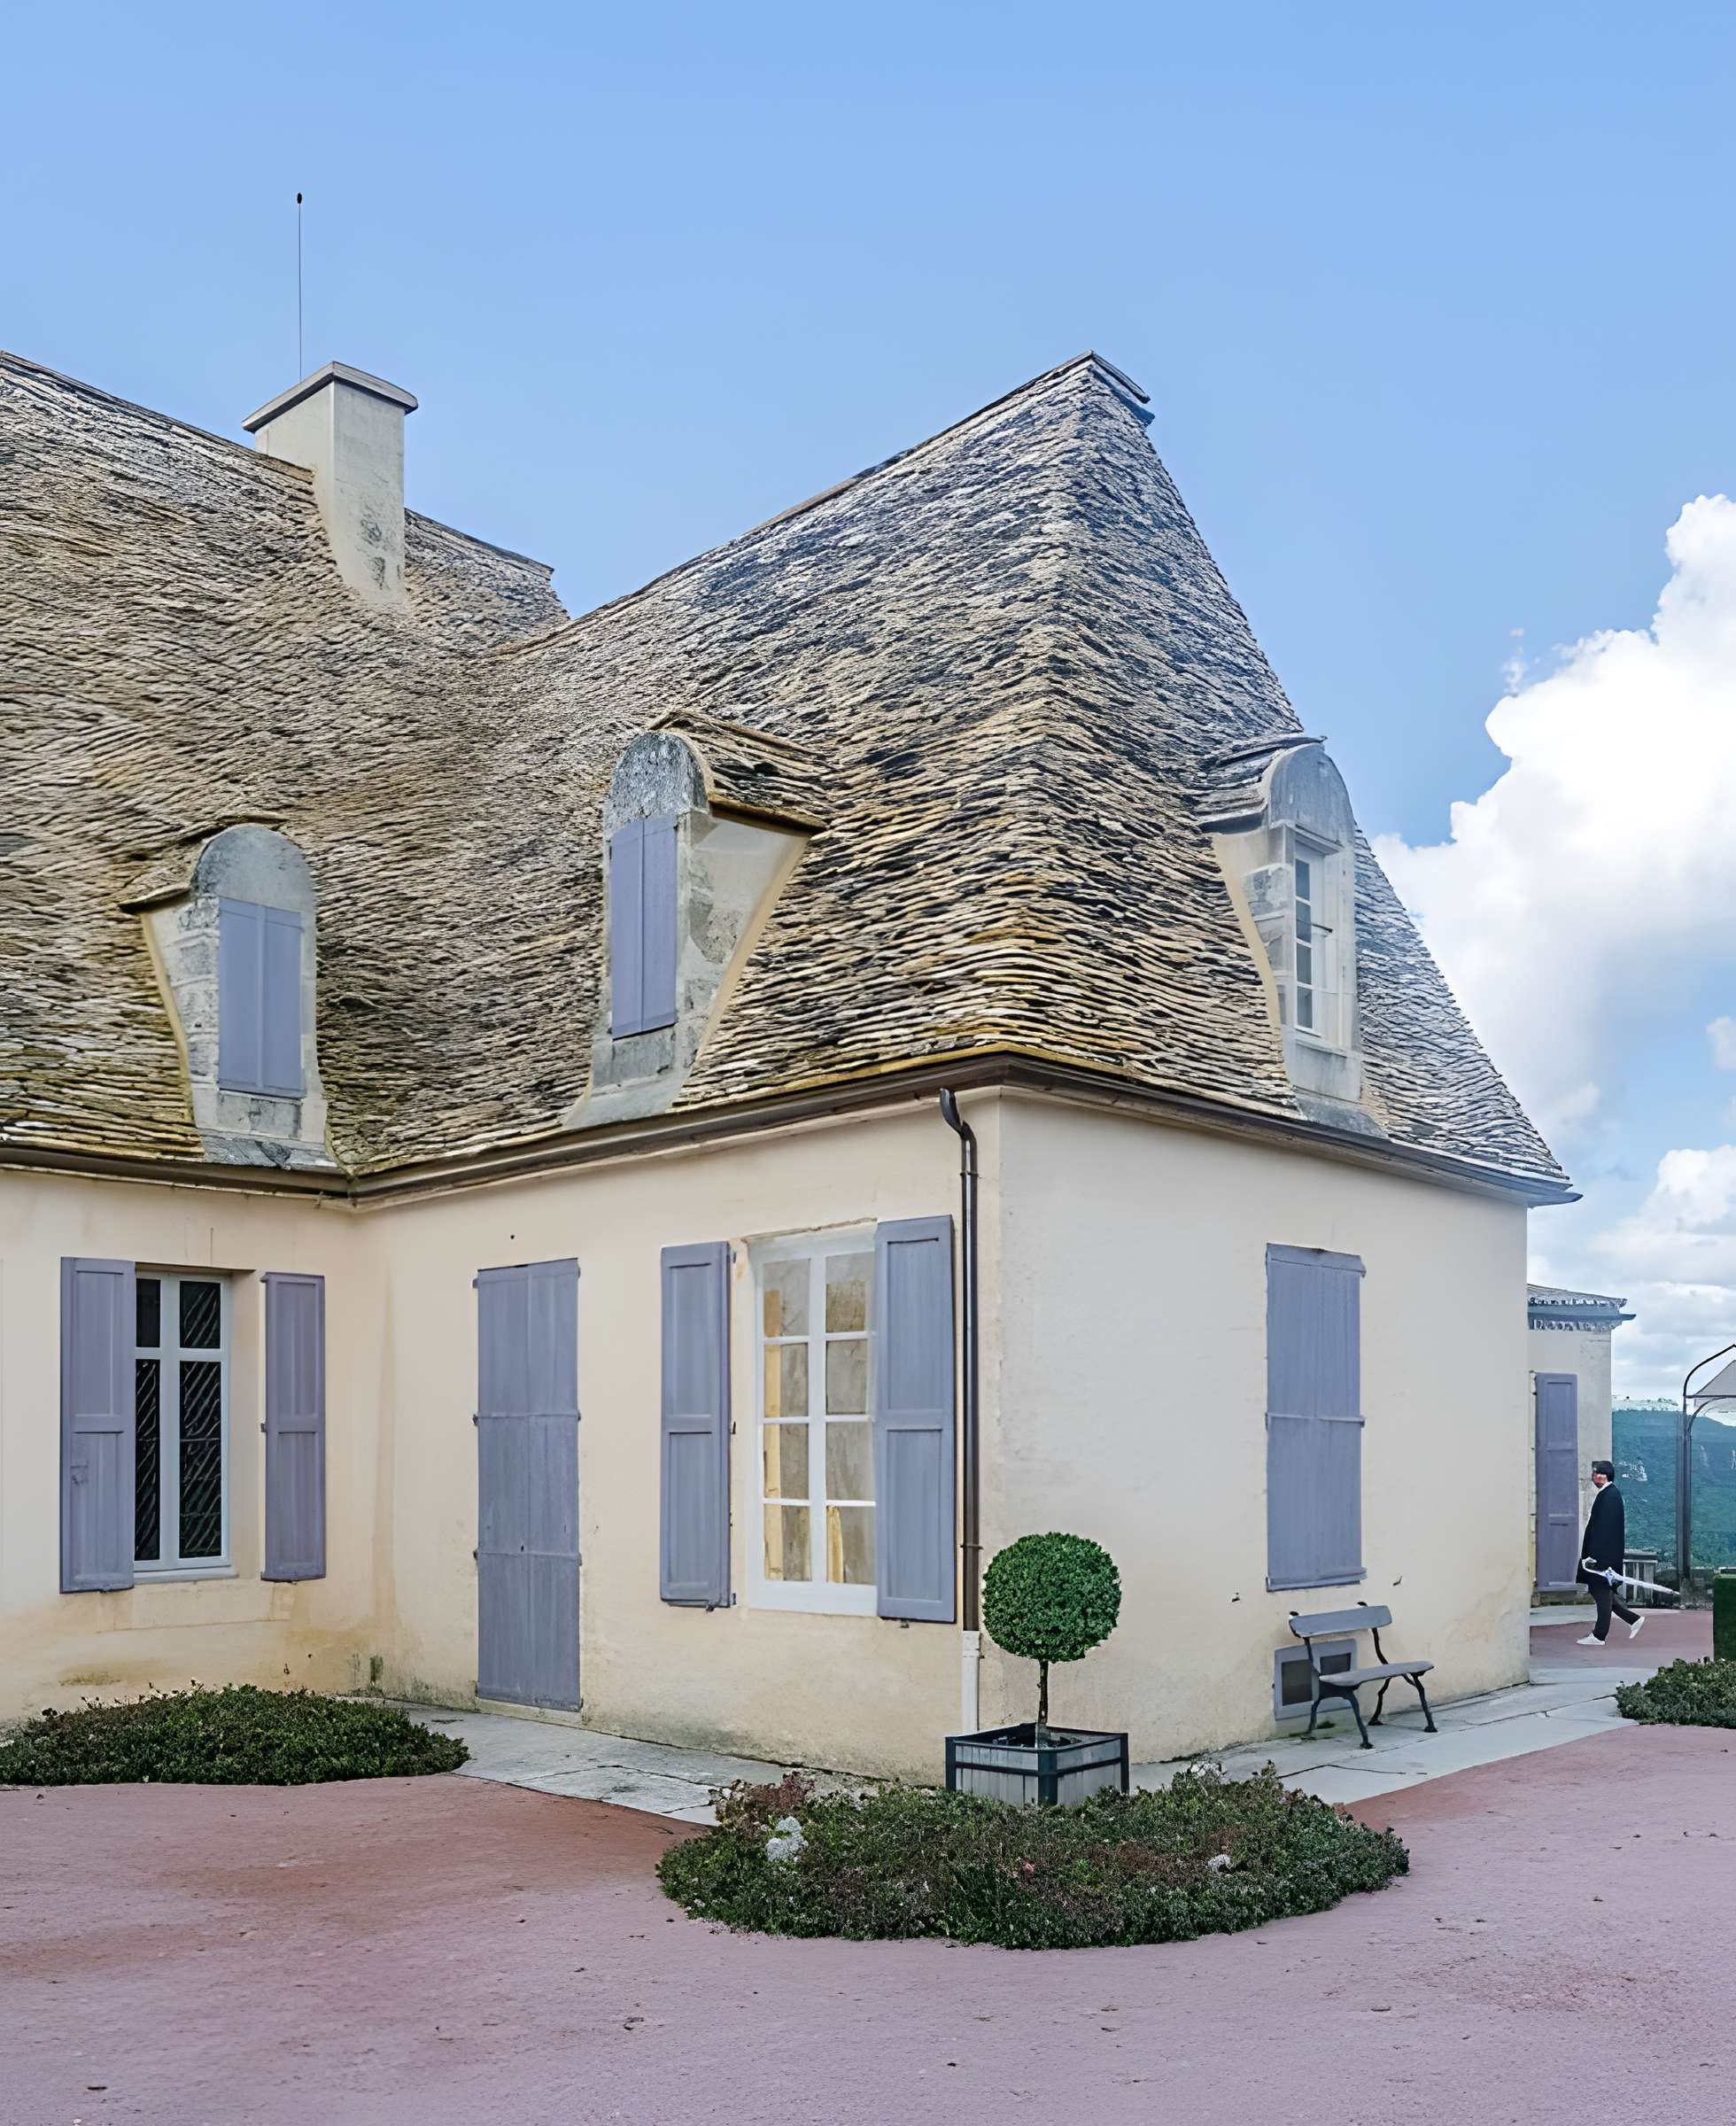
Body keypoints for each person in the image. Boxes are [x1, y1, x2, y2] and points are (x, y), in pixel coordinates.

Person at [1577, 1459, 1644, 1646]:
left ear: (1608, 1476)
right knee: (1600, 1590)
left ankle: (1599, 1635)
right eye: (1595, 1473)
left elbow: (1603, 1530)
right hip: (1603, 1554)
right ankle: (1633, 1619)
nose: (1596, 1476)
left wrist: (1593, 1556)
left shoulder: (1610, 1495)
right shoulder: (1608, 1494)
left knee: (1601, 1590)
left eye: (1601, 1473)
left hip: (1602, 1556)